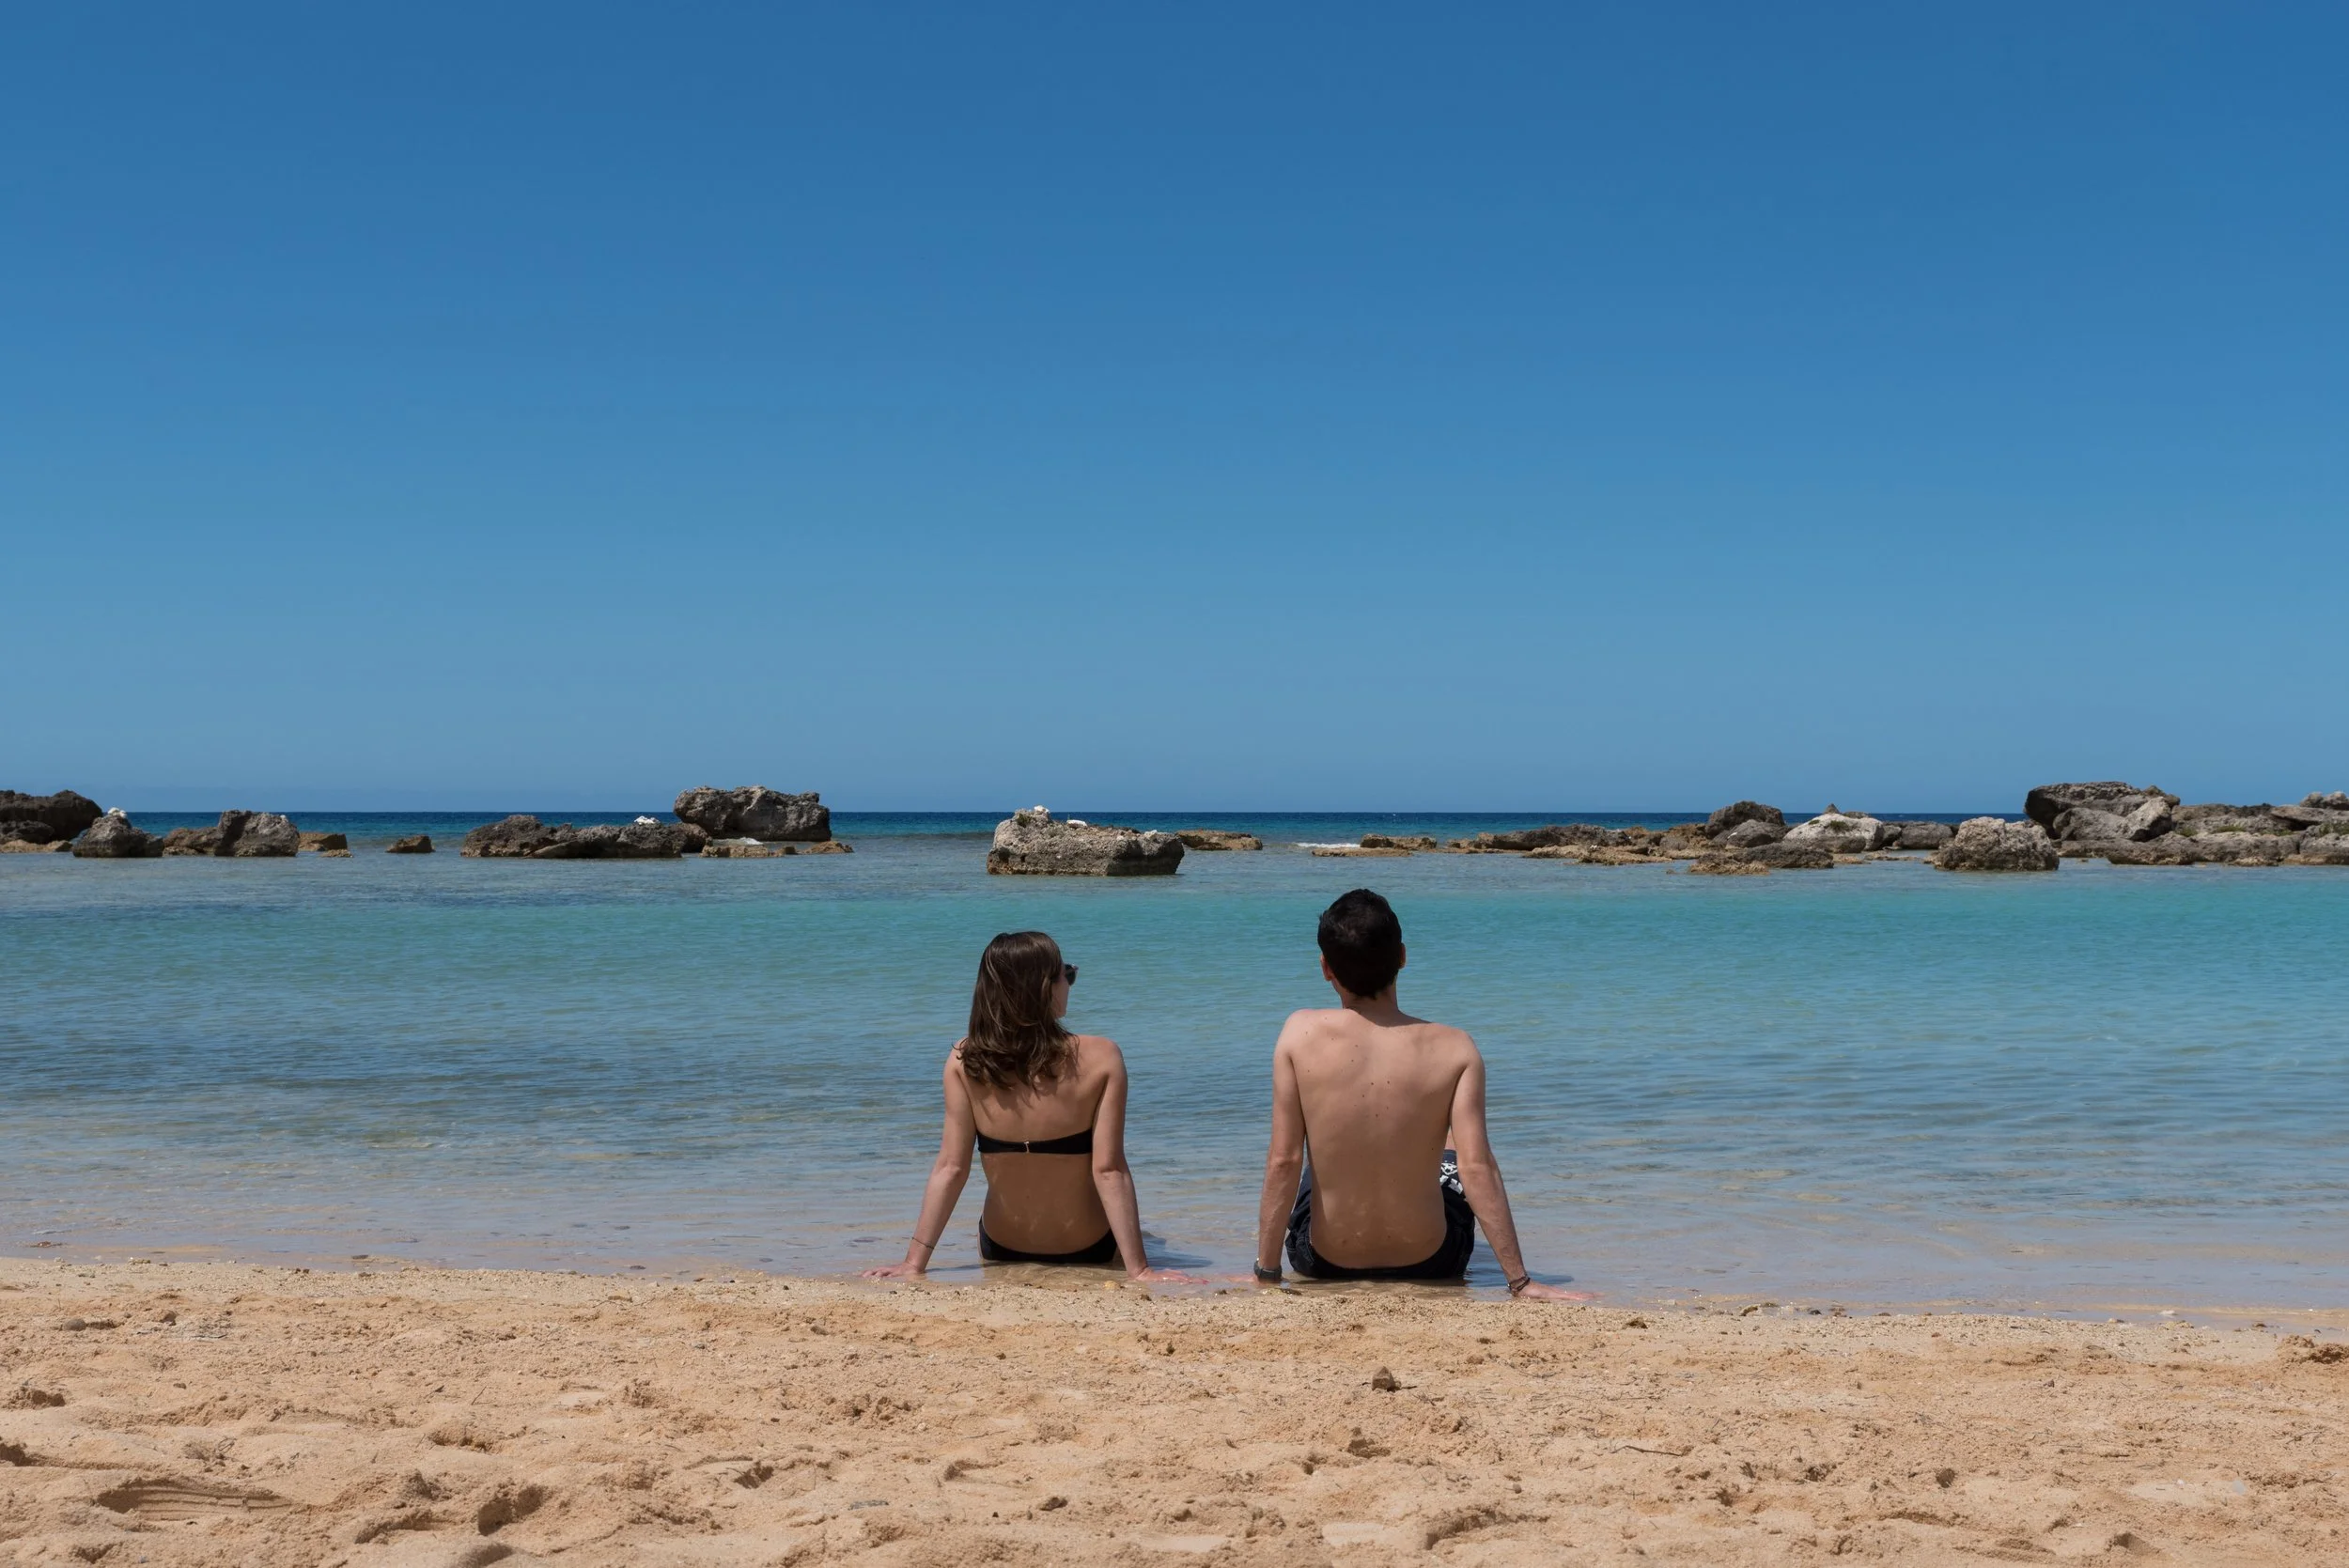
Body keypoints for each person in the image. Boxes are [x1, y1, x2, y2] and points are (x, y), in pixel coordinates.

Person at [1251, 889, 1590, 1300]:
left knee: (1315, 1161)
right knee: (1451, 1149)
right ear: (1403, 957)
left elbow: (1283, 1160)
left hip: (1323, 1261)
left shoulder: (1297, 1035)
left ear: (1325, 968)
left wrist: (1266, 1274)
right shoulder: (1455, 1048)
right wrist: (1521, 1281)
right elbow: (1477, 1168)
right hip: (1433, 1262)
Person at [864, 930, 1184, 1282]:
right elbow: (1109, 1171)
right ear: (1045, 988)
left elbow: (950, 1169)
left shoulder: (964, 1060)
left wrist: (913, 1263)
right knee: (1151, 1235)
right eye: (1067, 974)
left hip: (1002, 1247)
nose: (1070, 984)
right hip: (1088, 1246)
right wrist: (1139, 1270)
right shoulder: (1103, 1057)